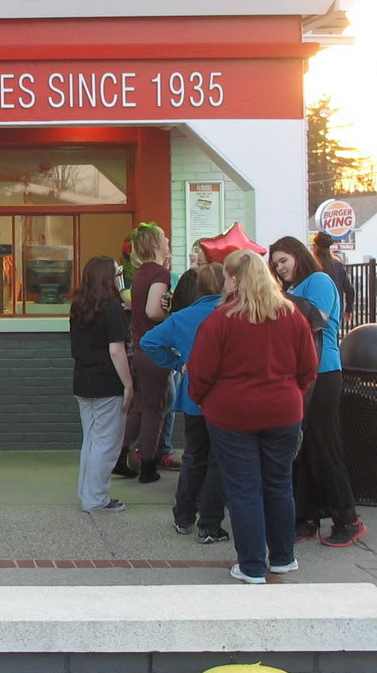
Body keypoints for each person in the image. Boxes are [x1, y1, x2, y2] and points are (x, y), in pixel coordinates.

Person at [189, 249, 318, 583]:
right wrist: (291, 394)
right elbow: (308, 367)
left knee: (244, 490)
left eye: (227, 278)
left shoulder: (220, 320)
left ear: (233, 280)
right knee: (279, 484)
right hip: (283, 411)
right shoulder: (291, 315)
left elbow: (200, 373)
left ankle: (251, 565)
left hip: (232, 415)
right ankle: (283, 557)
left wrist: (204, 401)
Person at [269, 235, 366, 547]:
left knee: (325, 445)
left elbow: (316, 319)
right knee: (304, 447)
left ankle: (347, 518)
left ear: (298, 255)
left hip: (323, 372)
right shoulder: (295, 288)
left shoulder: (319, 280)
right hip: (301, 375)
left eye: (283, 260)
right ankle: (306, 517)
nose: (279, 268)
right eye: (275, 264)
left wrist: (275, 296)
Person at [141, 262, 230, 543]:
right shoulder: (233, 314)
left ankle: (183, 516)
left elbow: (148, 342)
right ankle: (210, 523)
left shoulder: (182, 317)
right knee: (219, 460)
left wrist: (178, 362)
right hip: (225, 396)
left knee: (193, 456)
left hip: (193, 396)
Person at [68, 256, 133, 513]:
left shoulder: (78, 306)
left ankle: (87, 492)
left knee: (92, 440)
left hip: (83, 381)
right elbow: (116, 351)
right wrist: (128, 384)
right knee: (106, 443)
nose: (120, 278)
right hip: (107, 383)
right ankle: (96, 498)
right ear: (108, 277)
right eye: (118, 273)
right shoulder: (112, 308)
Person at [119, 222, 172, 483]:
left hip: (139, 346)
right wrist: (171, 312)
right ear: (154, 243)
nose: (168, 240)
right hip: (154, 350)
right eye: (164, 237)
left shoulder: (141, 272)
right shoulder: (160, 273)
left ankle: (120, 455)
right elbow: (153, 311)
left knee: (140, 406)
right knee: (154, 408)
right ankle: (149, 466)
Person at [313, 231, 357, 314]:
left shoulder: (312, 266)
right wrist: (348, 309)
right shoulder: (338, 266)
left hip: (316, 311)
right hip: (336, 311)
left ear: (315, 247)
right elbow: (349, 290)